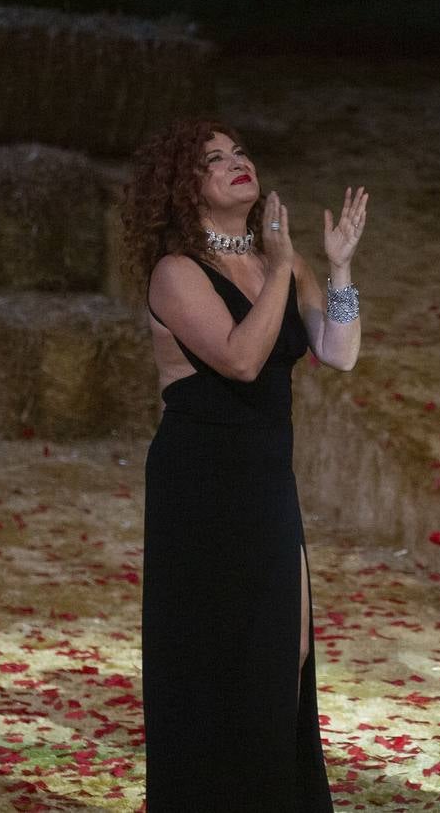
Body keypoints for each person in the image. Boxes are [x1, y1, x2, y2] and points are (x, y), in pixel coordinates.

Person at [120, 118, 368, 811]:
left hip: (266, 478)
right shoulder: (176, 271)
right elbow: (238, 357)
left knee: (284, 656)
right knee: (215, 664)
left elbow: (338, 351)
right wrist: (282, 267)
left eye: (241, 152)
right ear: (183, 187)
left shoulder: (281, 259)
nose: (237, 163)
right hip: (200, 481)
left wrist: (337, 266)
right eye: (213, 159)